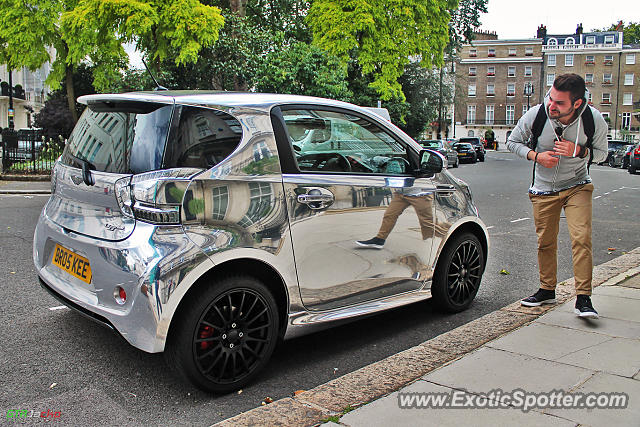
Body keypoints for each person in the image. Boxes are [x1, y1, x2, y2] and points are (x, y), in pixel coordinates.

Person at [506, 73, 608, 319]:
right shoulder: (537, 114)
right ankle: (546, 289)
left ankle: (583, 298)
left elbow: (602, 154)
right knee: (546, 242)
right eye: (551, 98)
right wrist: (536, 156)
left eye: (559, 103)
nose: (552, 105)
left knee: (581, 238)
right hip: (543, 188)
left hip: (577, 184)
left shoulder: (593, 120)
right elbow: (513, 142)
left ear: (577, 103)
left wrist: (579, 150)